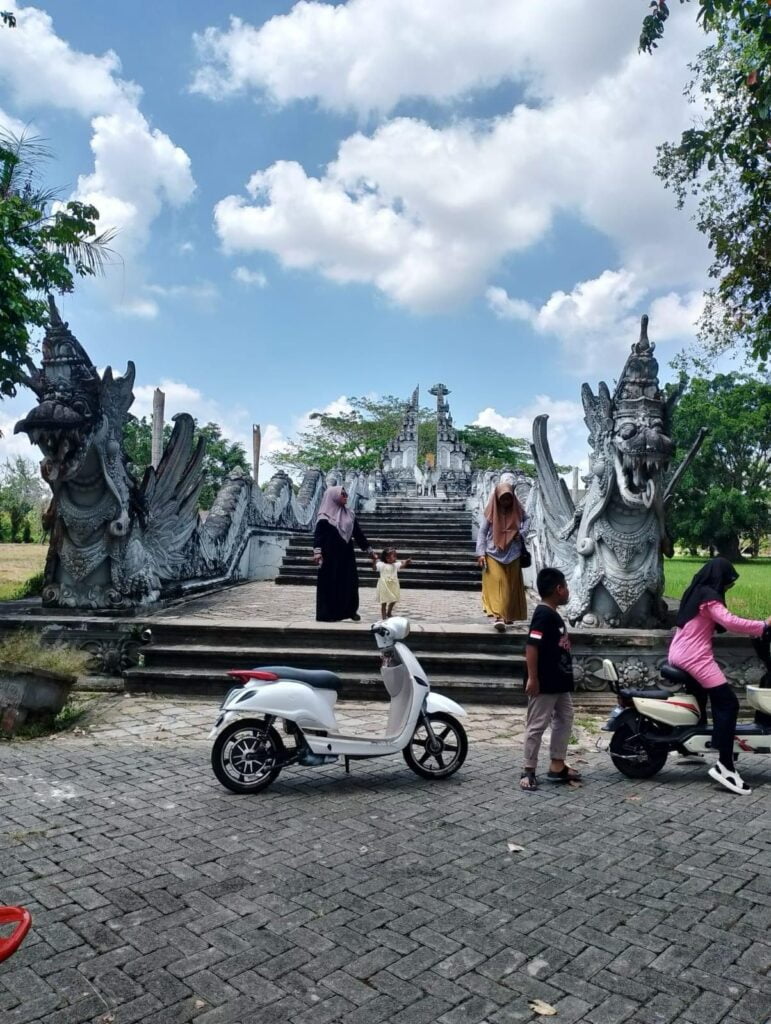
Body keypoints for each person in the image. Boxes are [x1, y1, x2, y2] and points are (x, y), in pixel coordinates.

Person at [668, 557, 771, 796]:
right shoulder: (709, 596)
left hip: (678, 651)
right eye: (727, 583)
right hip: (694, 656)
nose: (726, 588)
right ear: (719, 578)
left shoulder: (696, 592)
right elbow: (729, 621)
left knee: (700, 694)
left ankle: (690, 745)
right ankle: (725, 765)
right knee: (728, 702)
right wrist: (763, 625)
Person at [520, 567, 580, 792]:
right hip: (544, 681)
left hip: (559, 681)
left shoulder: (552, 614)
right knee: (537, 724)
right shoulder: (543, 615)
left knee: (565, 716)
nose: (568, 591)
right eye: (566, 587)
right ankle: (528, 770)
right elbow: (531, 646)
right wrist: (533, 678)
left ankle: (557, 764)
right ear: (558, 589)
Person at [312, 486, 372, 622]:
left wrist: (369, 550)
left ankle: (350, 611)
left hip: (346, 554)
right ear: (334, 496)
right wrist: (317, 552)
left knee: (350, 582)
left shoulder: (349, 514)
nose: (346, 496)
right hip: (329, 556)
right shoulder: (324, 516)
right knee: (330, 583)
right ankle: (327, 613)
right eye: (342, 494)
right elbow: (319, 535)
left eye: (346, 494)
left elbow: (358, 533)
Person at [476, 481, 529, 631]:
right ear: (497, 498)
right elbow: (482, 532)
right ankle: (498, 616)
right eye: (503, 498)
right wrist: (480, 553)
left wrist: (522, 532)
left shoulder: (517, 509)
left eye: (508, 498)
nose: (506, 502)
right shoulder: (491, 511)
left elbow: (527, 519)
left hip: (513, 552)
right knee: (498, 582)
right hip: (493, 551)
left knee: (510, 587)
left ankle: (508, 615)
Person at [372, 547, 412, 619]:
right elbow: (374, 568)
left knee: (394, 599)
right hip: (384, 585)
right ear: (387, 558)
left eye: (395, 556)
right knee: (383, 602)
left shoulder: (395, 565)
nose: (395, 557)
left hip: (393, 585)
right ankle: (384, 617)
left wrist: (406, 562)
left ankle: (389, 612)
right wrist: (374, 560)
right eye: (393, 556)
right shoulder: (381, 564)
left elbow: (402, 566)